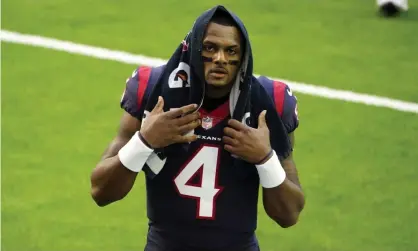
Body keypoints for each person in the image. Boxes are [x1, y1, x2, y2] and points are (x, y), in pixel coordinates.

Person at [90, 5, 305, 251]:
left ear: (243, 56)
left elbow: (289, 215)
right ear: (192, 48)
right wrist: (144, 141)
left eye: (231, 50)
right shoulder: (153, 91)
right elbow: (100, 191)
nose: (220, 59)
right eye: (210, 47)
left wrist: (265, 159)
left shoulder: (268, 104)